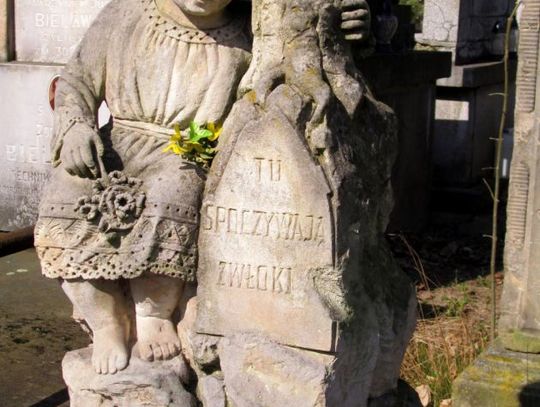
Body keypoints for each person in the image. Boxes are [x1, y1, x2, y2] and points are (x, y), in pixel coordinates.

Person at [35, 0, 372, 375]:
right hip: (115, 143)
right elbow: (76, 80)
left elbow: (303, 47)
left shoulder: (251, 30)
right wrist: (75, 127)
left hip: (184, 150)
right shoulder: (126, 12)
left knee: (172, 194)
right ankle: (106, 320)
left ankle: (154, 314)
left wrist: (338, 32)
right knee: (64, 199)